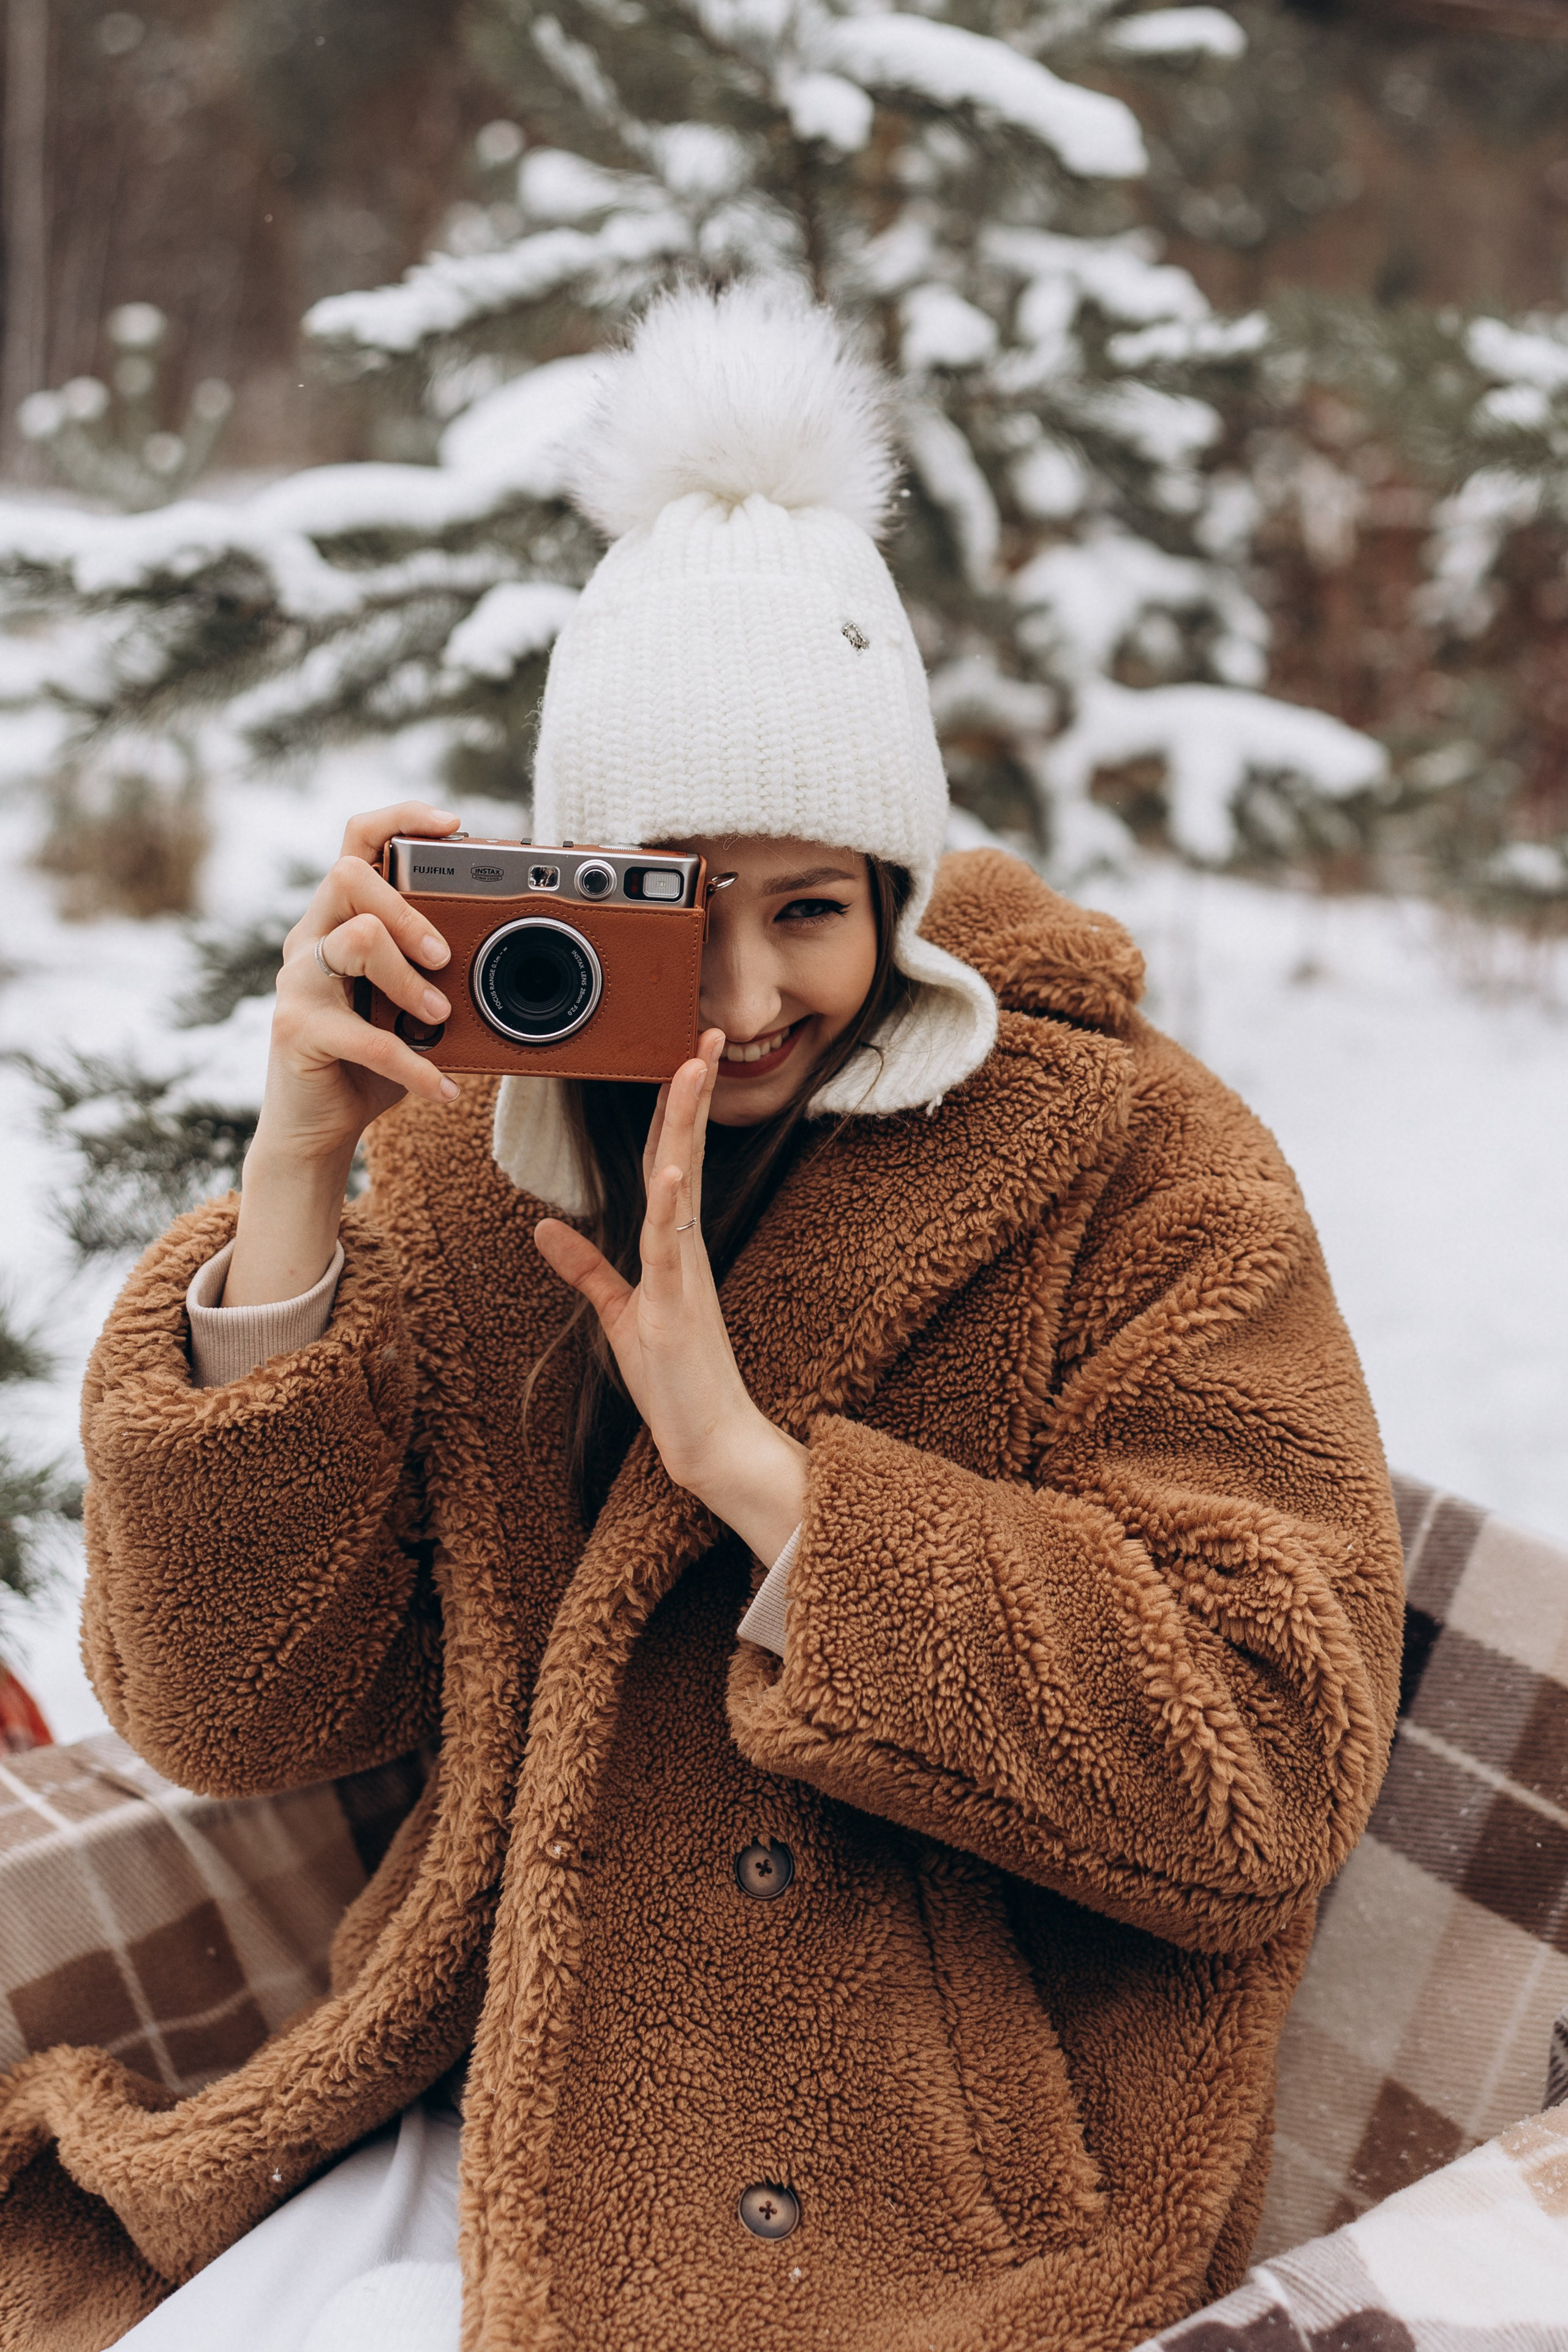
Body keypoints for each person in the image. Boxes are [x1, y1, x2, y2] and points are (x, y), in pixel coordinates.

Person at [0, 282, 1403, 2352]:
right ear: (572, 885)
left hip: (898, 2171)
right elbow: (236, 1713)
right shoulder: (488, 1158)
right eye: (676, 901)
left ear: (901, 890)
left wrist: (755, 1470)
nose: (746, 1001)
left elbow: (1264, 1760)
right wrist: (296, 1176)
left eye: (812, 908)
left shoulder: (1138, 1161)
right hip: (487, 2065)